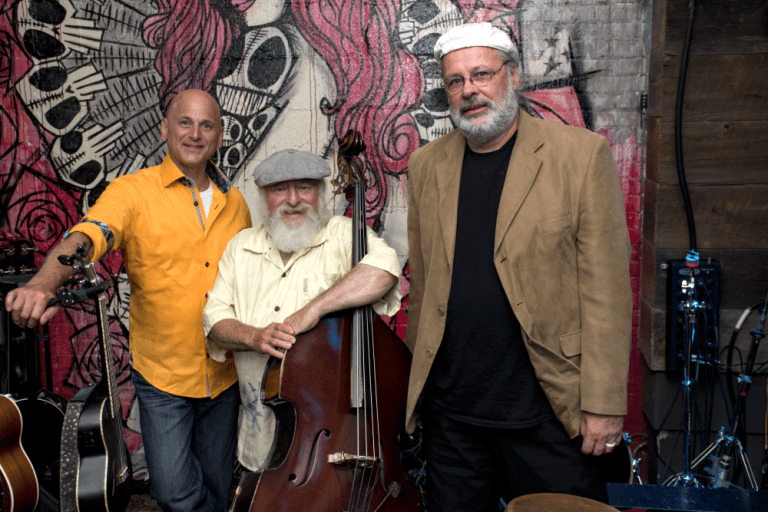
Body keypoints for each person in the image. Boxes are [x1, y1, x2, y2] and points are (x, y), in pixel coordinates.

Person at [404, 22, 632, 510]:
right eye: (456, 81)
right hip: (453, 419)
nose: (469, 90)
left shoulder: (579, 155)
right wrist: (418, 398)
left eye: (481, 74)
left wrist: (604, 404)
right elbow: (422, 287)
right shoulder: (425, 166)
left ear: (513, 75)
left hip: (550, 414)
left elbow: (607, 292)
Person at [5, 89, 252, 512]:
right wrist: (44, 283)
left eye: (206, 125)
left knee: (216, 486)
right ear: (165, 129)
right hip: (163, 376)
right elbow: (90, 234)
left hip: (225, 374)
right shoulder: (132, 192)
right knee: (173, 492)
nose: (194, 134)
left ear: (219, 136)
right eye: (185, 122)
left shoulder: (236, 203)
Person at [203, 148, 402, 473]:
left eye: (304, 187)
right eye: (279, 189)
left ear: (320, 192)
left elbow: (385, 268)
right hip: (259, 435)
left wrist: (315, 308)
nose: (293, 200)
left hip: (330, 439)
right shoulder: (240, 246)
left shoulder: (342, 235)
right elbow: (214, 321)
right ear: (264, 196)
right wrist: (254, 337)